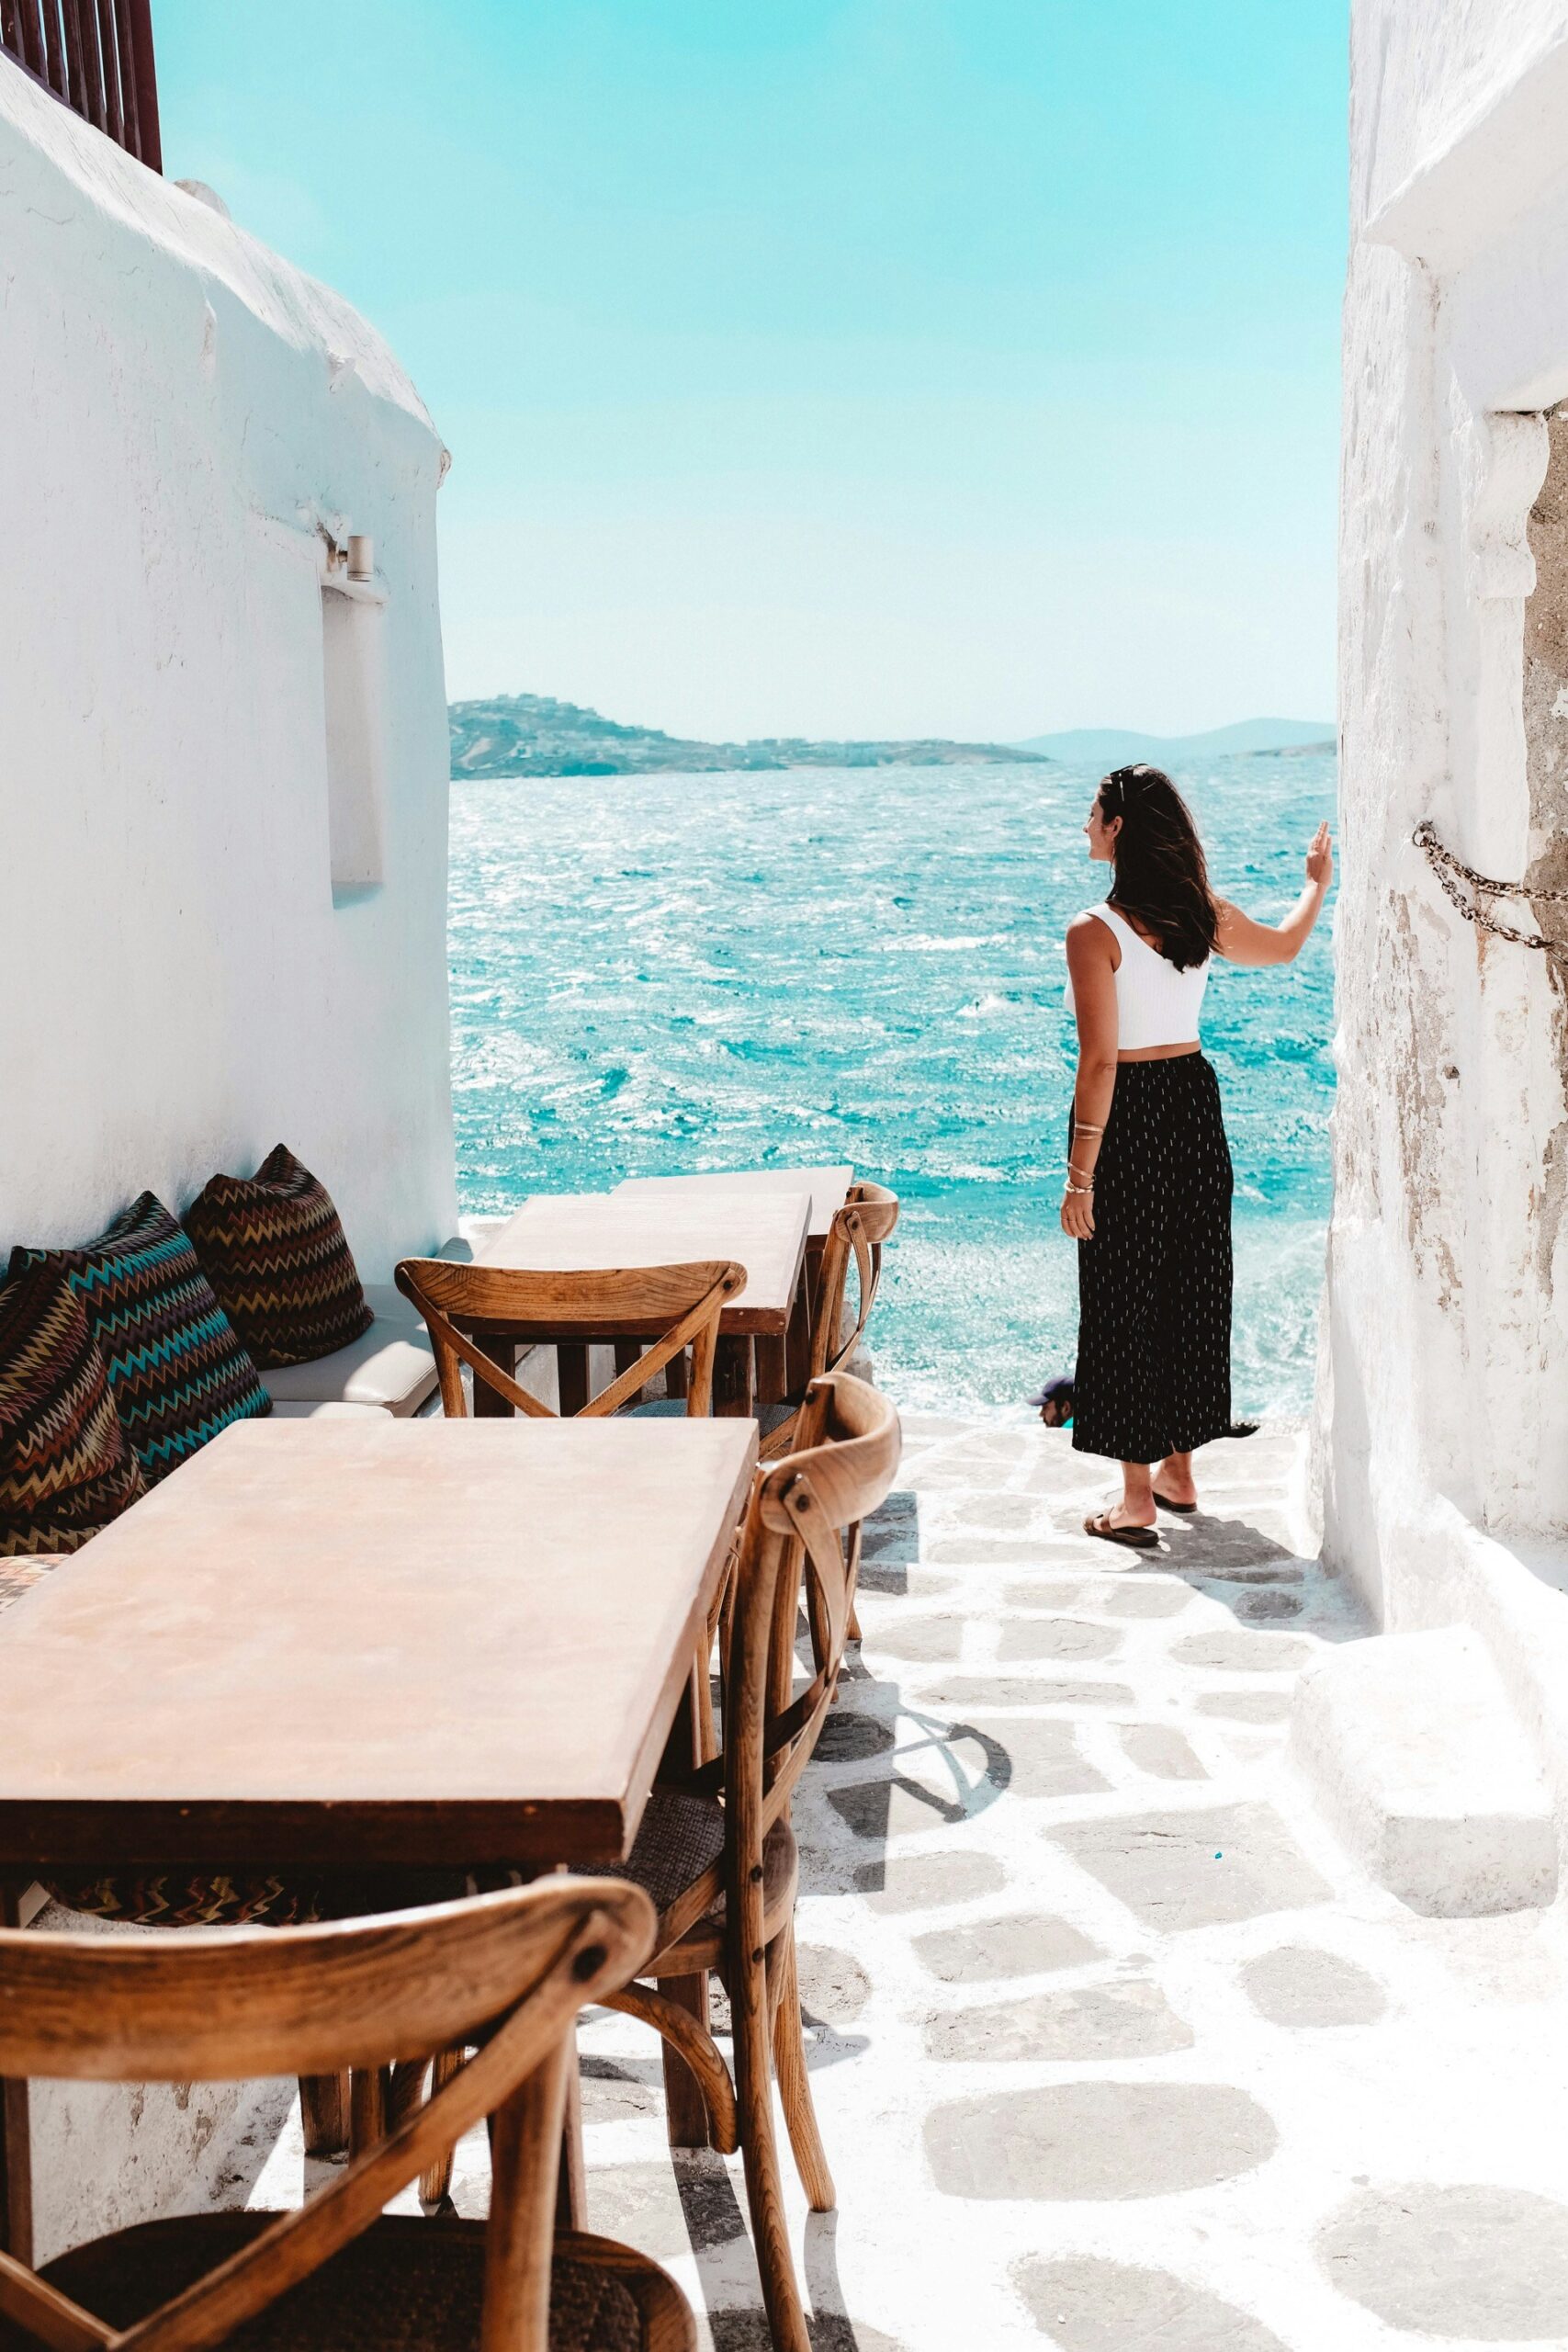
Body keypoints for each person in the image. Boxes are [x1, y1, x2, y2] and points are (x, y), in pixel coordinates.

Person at [1061, 764, 1331, 1547]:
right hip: (1192, 1102)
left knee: (1122, 1297)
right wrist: (1315, 884)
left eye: (1092, 814)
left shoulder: (1092, 932)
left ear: (1117, 828)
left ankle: (1135, 1498)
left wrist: (1079, 1177)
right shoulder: (1199, 914)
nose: (1084, 827)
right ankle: (1178, 1472)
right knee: (1191, 1283)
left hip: (1129, 1112)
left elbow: (1098, 1063)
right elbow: (1284, 948)